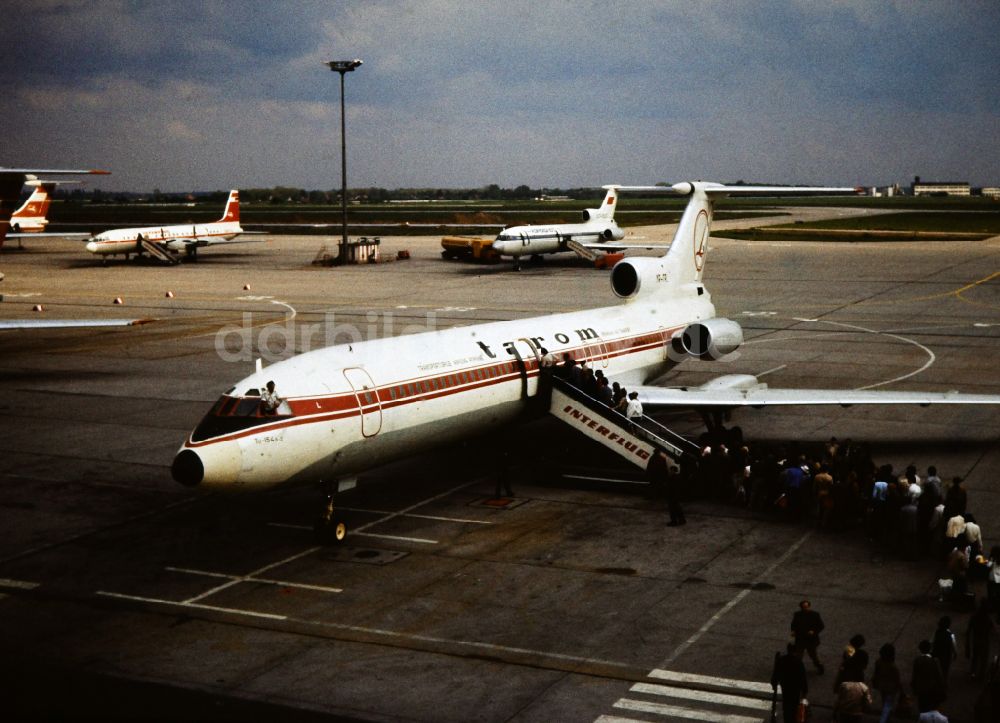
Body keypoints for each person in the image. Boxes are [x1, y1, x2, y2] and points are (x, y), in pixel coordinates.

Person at [771, 644, 808, 723]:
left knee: (786, 707)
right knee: (794, 707)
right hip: (795, 689)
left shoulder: (782, 660)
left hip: (786, 687)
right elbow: (803, 677)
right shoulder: (798, 662)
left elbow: (776, 673)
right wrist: (804, 690)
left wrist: (774, 683)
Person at [870, 643, 903, 723]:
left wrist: (875, 682)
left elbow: (876, 673)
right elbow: (897, 679)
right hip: (891, 688)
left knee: (885, 701)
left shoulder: (879, 662)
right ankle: (884, 719)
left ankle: (885, 719)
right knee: (888, 704)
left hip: (882, 686)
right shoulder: (893, 667)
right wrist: (901, 690)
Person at [911, 639, 946, 713]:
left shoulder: (917, 660)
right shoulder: (934, 661)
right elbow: (939, 676)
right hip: (931, 688)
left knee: (922, 708)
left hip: (921, 688)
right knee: (931, 707)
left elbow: (914, 675)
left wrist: (914, 687)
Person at [791, 599, 825, 674]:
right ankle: (797, 670)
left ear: (809, 606)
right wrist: (793, 630)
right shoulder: (797, 614)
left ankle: (820, 667)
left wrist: (814, 631)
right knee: (798, 656)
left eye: (807, 607)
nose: (805, 608)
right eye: (804, 607)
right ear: (801, 607)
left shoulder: (815, 615)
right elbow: (793, 624)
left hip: (811, 640)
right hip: (800, 639)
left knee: (813, 656)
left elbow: (821, 626)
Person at [966, 598, 997, 680]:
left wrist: (967, 643)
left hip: (977, 639)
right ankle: (980, 675)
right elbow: (992, 630)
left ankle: (973, 673)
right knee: (983, 658)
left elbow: (969, 630)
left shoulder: (975, 616)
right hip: (984, 640)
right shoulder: (987, 618)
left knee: (975, 657)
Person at [932, 616, 958, 681]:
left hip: (938, 654)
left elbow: (934, 642)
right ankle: (944, 682)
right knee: (945, 670)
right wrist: (955, 653)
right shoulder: (950, 634)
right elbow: (953, 645)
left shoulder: (937, 632)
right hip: (946, 655)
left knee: (938, 669)